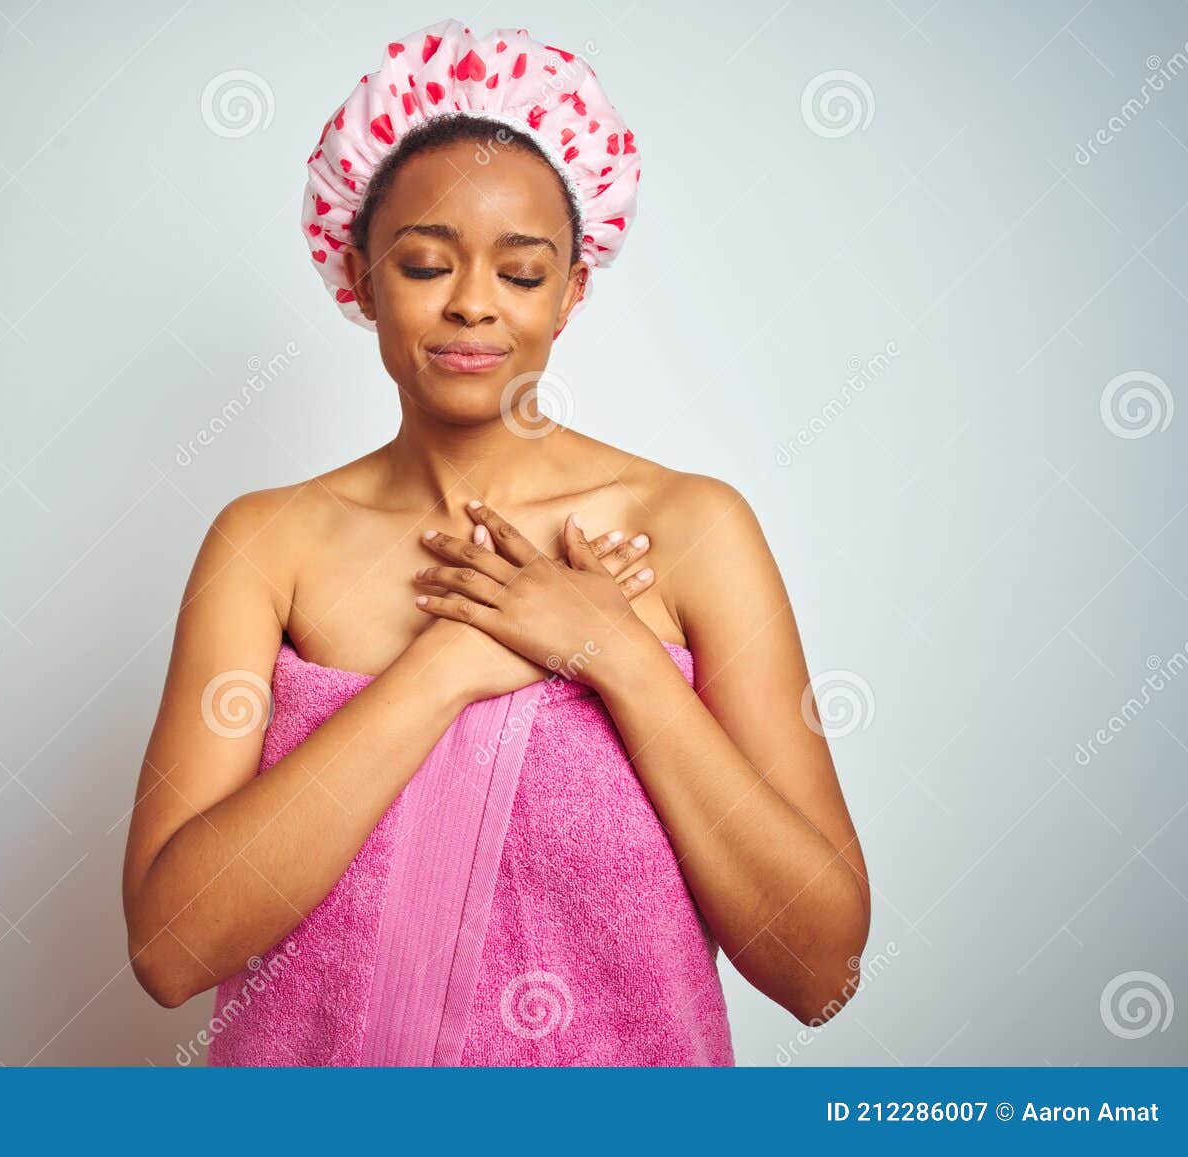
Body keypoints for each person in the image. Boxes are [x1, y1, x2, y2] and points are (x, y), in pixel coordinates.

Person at [122, 19, 869, 1065]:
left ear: (571, 292)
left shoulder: (691, 530)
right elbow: (169, 945)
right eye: (427, 262)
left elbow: (819, 969)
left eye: (521, 274)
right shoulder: (267, 544)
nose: (473, 302)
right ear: (362, 275)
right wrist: (447, 664)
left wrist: (609, 650)